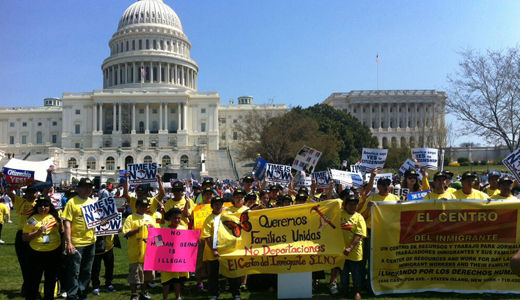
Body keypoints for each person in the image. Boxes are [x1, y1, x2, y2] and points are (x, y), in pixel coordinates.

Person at [62, 177, 97, 300]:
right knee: (74, 271)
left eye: (90, 187)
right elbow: (67, 223)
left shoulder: (92, 202)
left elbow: (96, 221)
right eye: (85, 187)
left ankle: (83, 294)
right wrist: (69, 242)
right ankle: (72, 295)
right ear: (79, 188)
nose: (88, 189)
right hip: (77, 243)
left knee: (87, 271)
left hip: (91, 242)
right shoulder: (72, 202)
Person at [22, 196, 63, 300]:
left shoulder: (55, 217)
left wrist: (62, 222)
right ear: (37, 207)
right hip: (36, 253)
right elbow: (24, 237)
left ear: (50, 206)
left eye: (45, 205)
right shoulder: (33, 219)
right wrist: (38, 232)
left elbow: (62, 231)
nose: (43, 207)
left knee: (51, 279)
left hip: (53, 252)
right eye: (40, 205)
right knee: (34, 279)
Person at [201, 196, 241, 300]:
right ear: (212, 206)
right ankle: (215, 294)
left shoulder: (227, 216)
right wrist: (213, 250)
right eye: (216, 204)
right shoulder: (208, 219)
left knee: (232, 272)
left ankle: (236, 293)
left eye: (220, 203)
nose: (218, 206)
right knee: (213, 275)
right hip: (212, 252)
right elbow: (207, 236)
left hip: (227, 251)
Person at [123, 198, 159, 300]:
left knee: (147, 276)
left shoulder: (149, 218)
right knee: (135, 276)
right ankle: (134, 294)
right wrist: (137, 230)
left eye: (145, 206)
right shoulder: (130, 218)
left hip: (148, 253)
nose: (144, 208)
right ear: (136, 207)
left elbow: (156, 233)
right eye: (141, 206)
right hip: (135, 252)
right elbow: (125, 233)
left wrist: (158, 245)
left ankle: (144, 293)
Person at [333, 190, 366, 300]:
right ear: (345, 205)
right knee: (344, 272)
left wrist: (350, 247)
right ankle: (344, 289)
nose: (352, 206)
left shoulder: (359, 217)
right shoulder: (339, 214)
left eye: (354, 204)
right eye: (350, 204)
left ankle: (357, 291)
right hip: (342, 251)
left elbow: (359, 234)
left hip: (354, 251)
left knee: (356, 273)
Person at [161, 208, 189, 300]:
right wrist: (150, 241)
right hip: (166, 259)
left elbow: (187, 243)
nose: (177, 220)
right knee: (166, 281)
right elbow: (158, 242)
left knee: (177, 279)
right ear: (170, 218)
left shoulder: (183, 228)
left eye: (179, 218)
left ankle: (178, 296)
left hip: (178, 259)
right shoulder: (165, 228)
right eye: (175, 218)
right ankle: (165, 298)